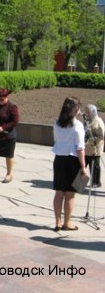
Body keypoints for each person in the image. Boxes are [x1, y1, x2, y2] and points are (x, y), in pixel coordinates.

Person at [52, 97, 87, 231]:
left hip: (59, 159)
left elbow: (56, 141)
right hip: (72, 161)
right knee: (70, 194)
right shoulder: (77, 125)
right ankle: (67, 222)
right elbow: (80, 148)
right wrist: (83, 167)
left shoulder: (57, 124)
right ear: (74, 110)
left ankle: (58, 222)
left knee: (59, 192)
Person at [84, 104, 104, 188]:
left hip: (94, 149)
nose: (86, 113)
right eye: (86, 112)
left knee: (95, 167)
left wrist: (93, 139)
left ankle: (96, 182)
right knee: (82, 165)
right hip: (86, 148)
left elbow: (101, 135)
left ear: (92, 112)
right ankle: (80, 183)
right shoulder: (87, 120)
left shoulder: (98, 121)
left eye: (88, 112)